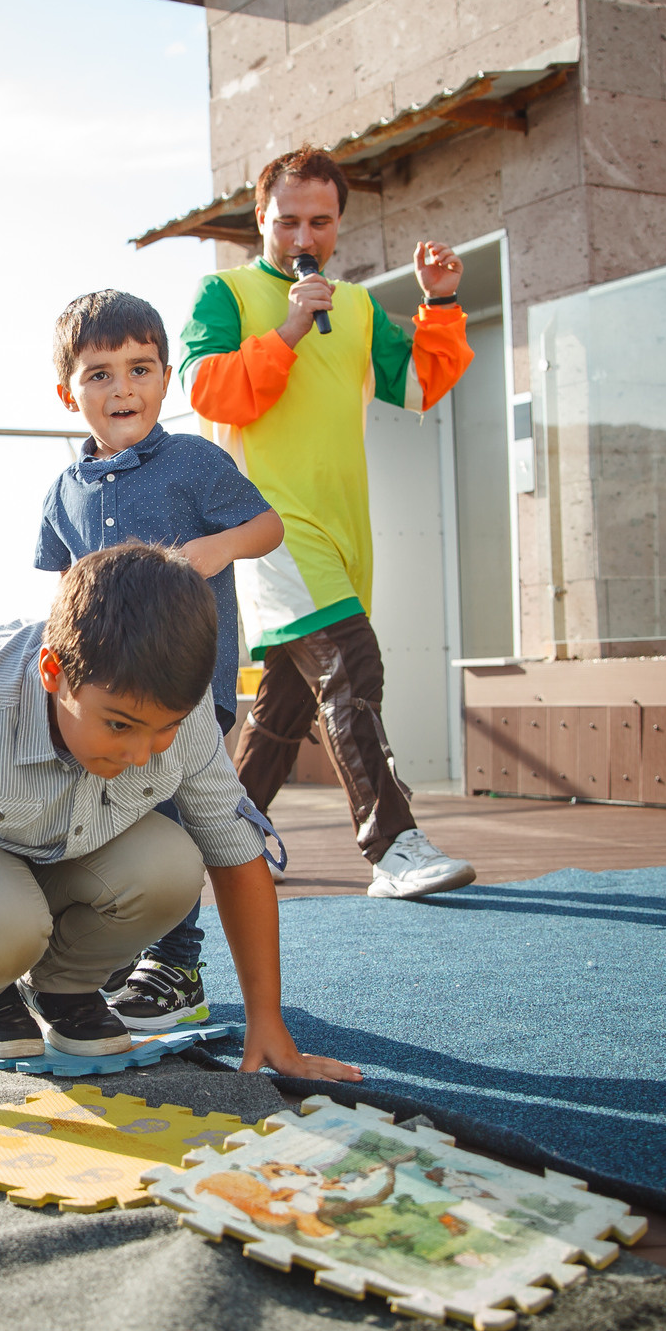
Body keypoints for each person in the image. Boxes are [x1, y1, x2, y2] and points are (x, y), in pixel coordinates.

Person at [0, 542, 360, 1114]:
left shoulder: (178, 710)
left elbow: (235, 854)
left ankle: (62, 986)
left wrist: (267, 1021)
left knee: (173, 866)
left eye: (163, 729)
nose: (141, 753)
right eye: (119, 725)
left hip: (64, 856)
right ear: (53, 672)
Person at [180, 146, 479, 901]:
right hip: (269, 526)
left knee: (286, 703)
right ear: (261, 218)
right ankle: (392, 844)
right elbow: (208, 392)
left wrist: (441, 303)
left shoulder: (357, 307)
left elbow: (419, 386)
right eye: (288, 221)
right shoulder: (226, 292)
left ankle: (220, 842)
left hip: (346, 531)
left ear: (340, 222)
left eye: (320, 221)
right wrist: (286, 330)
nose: (303, 236)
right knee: (351, 666)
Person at [36, 289, 284, 1033]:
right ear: (68, 393)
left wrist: (220, 547)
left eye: (140, 369)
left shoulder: (194, 461)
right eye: (100, 374)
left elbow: (268, 526)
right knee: (111, 821)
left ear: (167, 379)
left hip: (188, 688)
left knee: (177, 819)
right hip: (106, 701)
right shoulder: (63, 491)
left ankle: (178, 966)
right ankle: (118, 951)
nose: (123, 389)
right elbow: (65, 589)